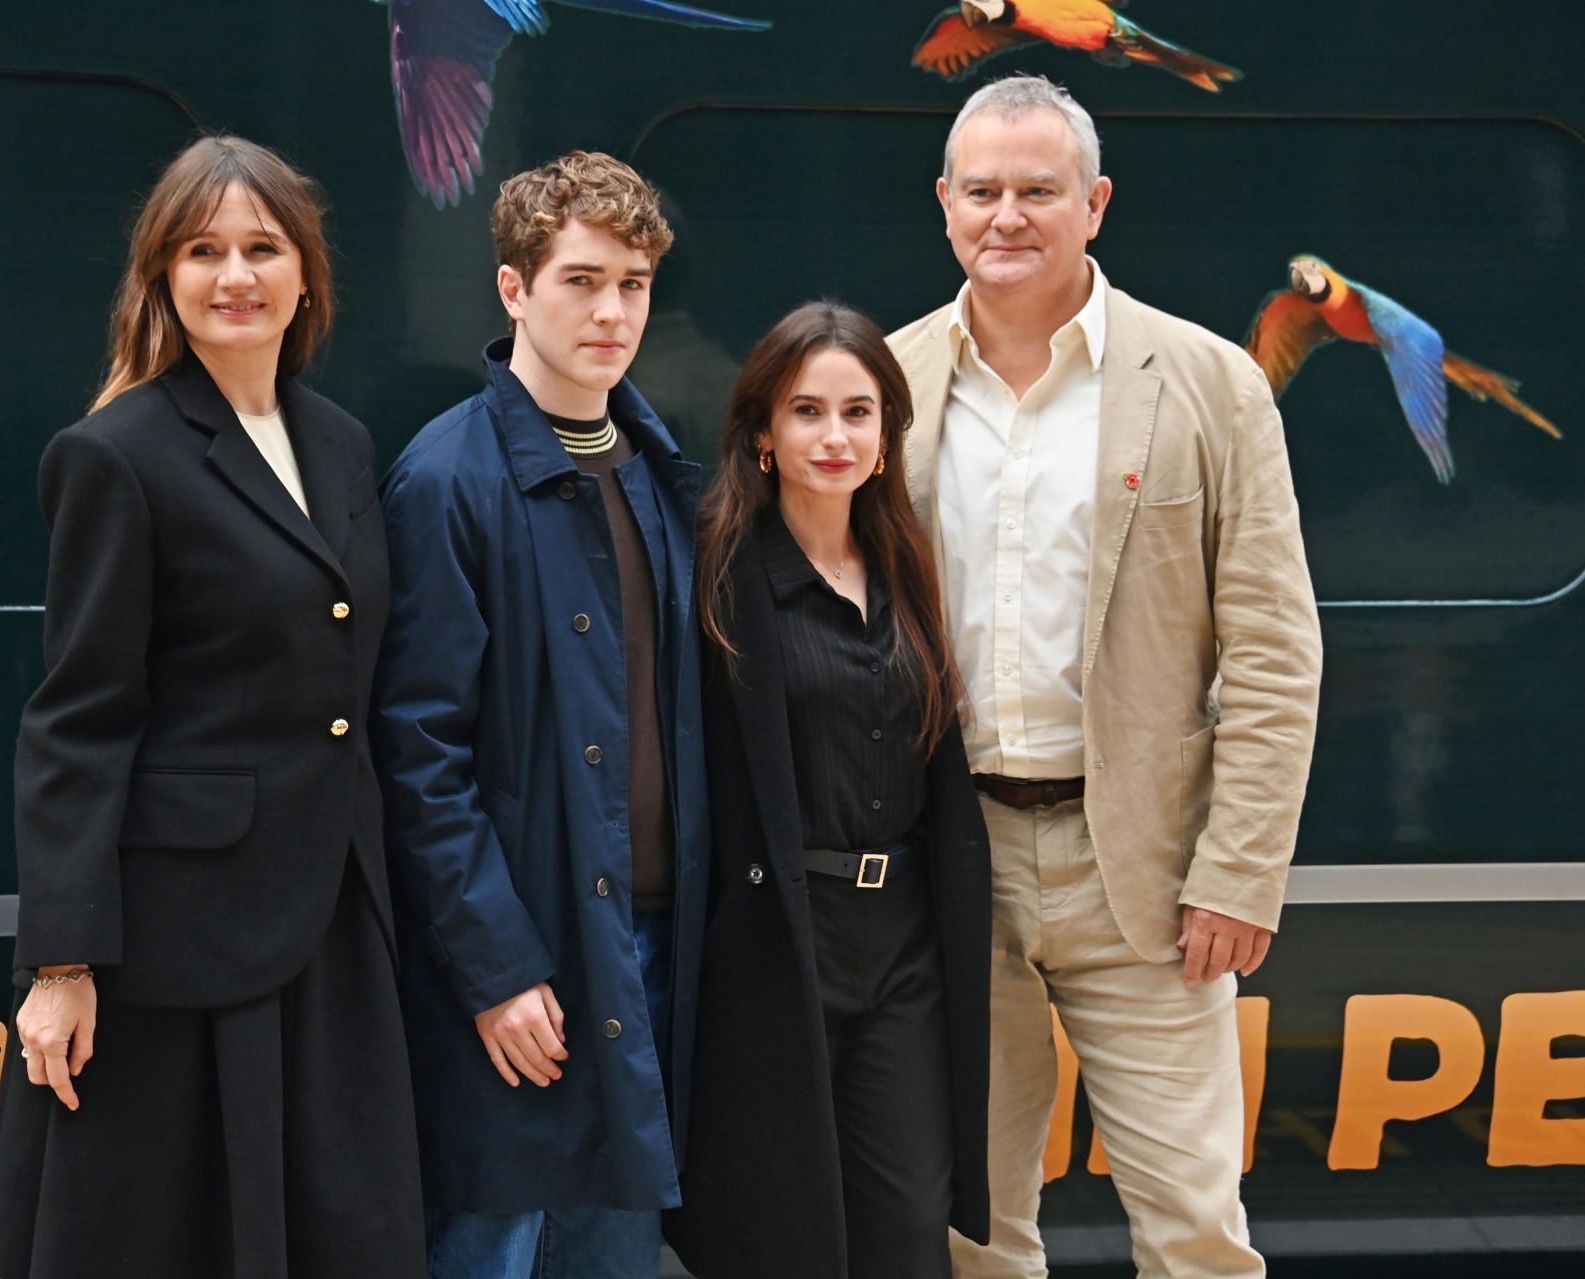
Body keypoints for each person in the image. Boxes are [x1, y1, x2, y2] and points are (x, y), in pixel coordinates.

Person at [887, 75, 1323, 1277]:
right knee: (971, 1230)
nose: (1007, 215)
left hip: (1146, 866)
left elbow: (1276, 648)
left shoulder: (1207, 382)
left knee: (1193, 1227)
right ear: (944, 204)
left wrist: (1238, 870)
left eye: (1040, 190)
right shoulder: (889, 381)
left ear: (1097, 203)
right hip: (951, 857)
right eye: (982, 190)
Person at [0, 135, 425, 1278]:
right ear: (163, 277)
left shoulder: (341, 441)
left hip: (332, 917)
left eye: (263, 248)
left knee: (336, 1231)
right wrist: (61, 961)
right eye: (203, 250)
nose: (236, 275)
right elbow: (78, 717)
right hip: (174, 941)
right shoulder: (114, 454)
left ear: (307, 274)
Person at [372, 152, 708, 1278]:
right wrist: (497, 970)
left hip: (646, 960)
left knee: (614, 1259)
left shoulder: (661, 476)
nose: (610, 311)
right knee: (491, 1247)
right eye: (579, 280)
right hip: (526, 973)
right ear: (515, 291)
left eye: (633, 283)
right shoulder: (447, 479)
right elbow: (419, 755)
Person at [663, 302, 991, 1278]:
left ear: (889, 438)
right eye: (807, 411)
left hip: (902, 957)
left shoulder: (908, 567)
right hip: (777, 951)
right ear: (762, 434)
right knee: (783, 1240)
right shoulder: (716, 571)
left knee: (905, 1232)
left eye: (859, 412)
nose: (835, 436)